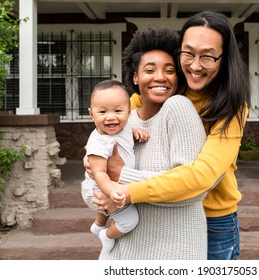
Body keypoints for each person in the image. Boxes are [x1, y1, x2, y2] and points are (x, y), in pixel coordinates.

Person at [92, 10, 251, 260]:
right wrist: (95, 159)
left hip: (213, 219)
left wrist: (124, 185)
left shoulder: (231, 106)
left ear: (223, 58)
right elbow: (110, 132)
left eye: (207, 57)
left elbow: (201, 177)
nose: (195, 65)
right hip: (159, 216)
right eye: (188, 54)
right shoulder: (162, 90)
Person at [93, 26, 208, 259]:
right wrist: (107, 201)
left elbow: (193, 190)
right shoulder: (123, 121)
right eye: (149, 70)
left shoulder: (178, 108)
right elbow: (92, 184)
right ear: (135, 77)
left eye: (169, 70)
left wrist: (121, 175)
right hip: (119, 254)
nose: (160, 77)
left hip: (172, 254)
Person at [81, 79, 149, 253]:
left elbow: (127, 132)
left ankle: (98, 225)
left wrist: (135, 132)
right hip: (99, 189)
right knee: (129, 221)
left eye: (118, 111)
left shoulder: (123, 127)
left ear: (128, 111)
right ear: (91, 114)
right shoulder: (98, 144)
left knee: (109, 210)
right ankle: (107, 235)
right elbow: (100, 174)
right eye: (102, 111)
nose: (111, 117)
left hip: (108, 184)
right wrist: (111, 192)